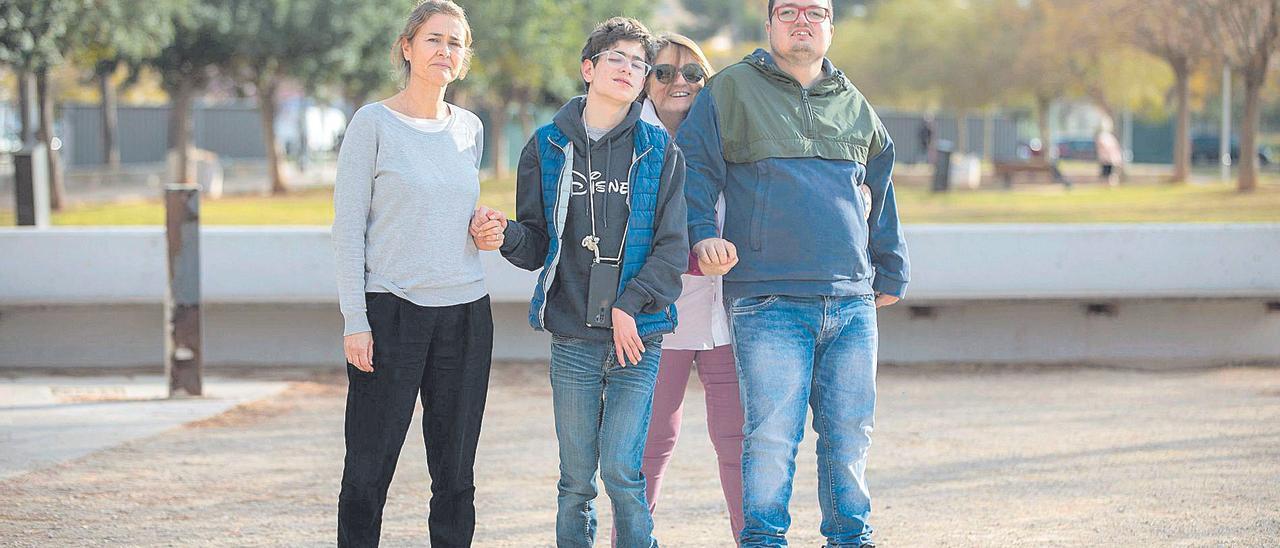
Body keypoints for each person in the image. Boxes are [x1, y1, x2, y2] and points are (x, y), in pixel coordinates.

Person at [676, 0, 911, 546]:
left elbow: (881, 188)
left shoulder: (854, 102)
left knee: (849, 434)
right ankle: (763, 540)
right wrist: (702, 235)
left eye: (815, 11)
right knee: (773, 436)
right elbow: (694, 173)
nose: (802, 20)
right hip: (767, 298)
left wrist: (890, 267)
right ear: (770, 24)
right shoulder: (730, 90)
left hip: (852, 299)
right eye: (788, 10)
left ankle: (851, 538)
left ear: (830, 26)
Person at [483, 17, 687, 548]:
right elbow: (534, 244)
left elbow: (672, 249)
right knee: (576, 482)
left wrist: (630, 304)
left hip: (637, 339)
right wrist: (503, 233)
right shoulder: (545, 147)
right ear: (588, 68)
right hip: (572, 336)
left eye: (639, 64)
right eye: (616, 58)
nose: (629, 69)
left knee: (622, 472)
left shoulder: (659, 150)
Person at [331, 2, 502, 546]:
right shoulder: (372, 123)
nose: (444, 51)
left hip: (467, 314)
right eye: (433, 39)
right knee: (367, 470)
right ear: (407, 47)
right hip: (391, 313)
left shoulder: (470, 129)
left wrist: (484, 231)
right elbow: (347, 229)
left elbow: (451, 215)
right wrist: (355, 320)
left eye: (455, 42)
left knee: (455, 476)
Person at [636, 33, 746, 544]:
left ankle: (754, 538)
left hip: (726, 311)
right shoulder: (629, 139)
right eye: (663, 72)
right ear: (644, 81)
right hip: (655, 310)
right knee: (651, 440)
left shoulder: (731, 137)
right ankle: (631, 538)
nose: (678, 82)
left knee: (737, 441)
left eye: (692, 74)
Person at [1095, 119, 1124, 187]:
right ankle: (1108, 186)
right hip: (1108, 158)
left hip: (1107, 159)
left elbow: (1106, 147)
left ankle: (1110, 186)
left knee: (1108, 175)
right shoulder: (1109, 136)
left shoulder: (1105, 137)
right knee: (1107, 174)